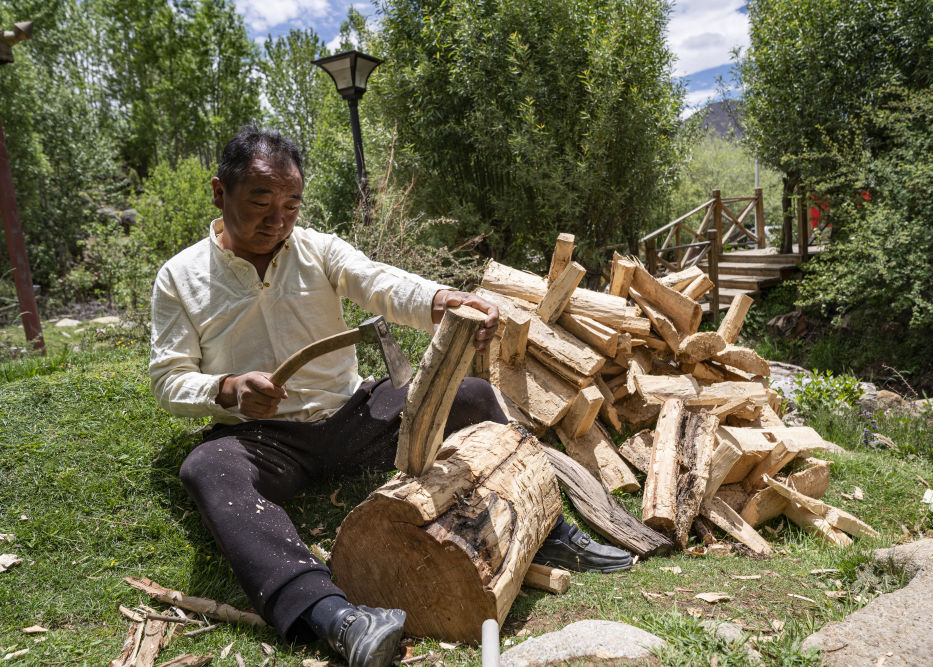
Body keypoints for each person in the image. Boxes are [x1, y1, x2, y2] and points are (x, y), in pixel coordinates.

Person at [149, 126, 632, 667]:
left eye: (291, 204)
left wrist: (441, 299)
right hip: (264, 437)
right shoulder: (180, 277)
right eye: (261, 201)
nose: (278, 219)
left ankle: (547, 529)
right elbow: (167, 378)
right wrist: (228, 390)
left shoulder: (317, 250)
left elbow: (379, 281)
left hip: (352, 415)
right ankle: (335, 617)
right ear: (220, 193)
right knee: (208, 467)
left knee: (471, 396)